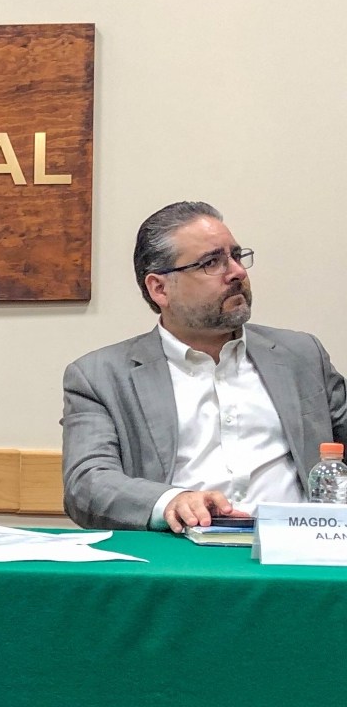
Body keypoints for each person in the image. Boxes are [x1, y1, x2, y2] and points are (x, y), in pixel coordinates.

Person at [62, 201, 347, 531]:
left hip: (296, 555)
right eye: (212, 262)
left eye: (237, 256)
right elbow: (86, 485)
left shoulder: (301, 355)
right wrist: (171, 500)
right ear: (160, 288)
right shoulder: (100, 376)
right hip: (179, 558)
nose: (238, 272)